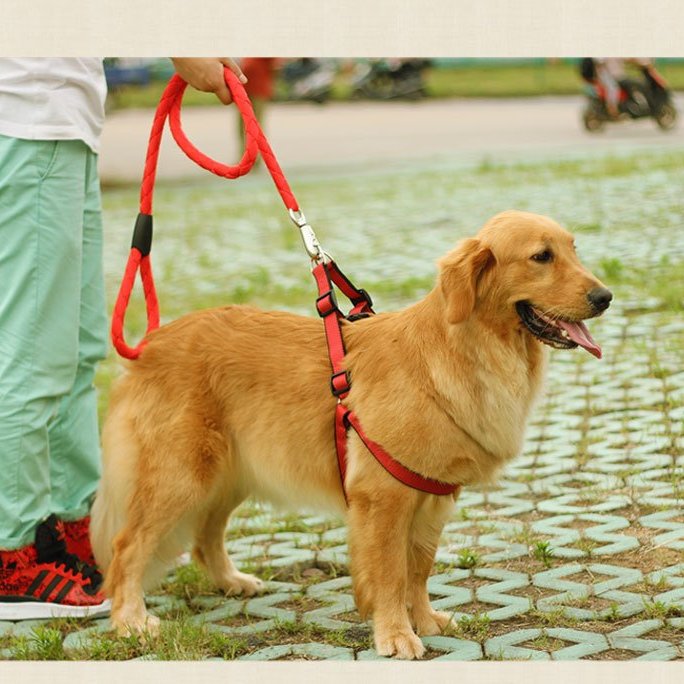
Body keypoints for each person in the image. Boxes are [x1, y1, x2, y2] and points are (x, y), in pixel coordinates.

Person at [0, 57, 246, 620]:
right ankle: (11, 555)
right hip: (29, 116)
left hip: (59, 119)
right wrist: (184, 49)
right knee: (35, 353)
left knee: (76, 348)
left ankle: (68, 526)